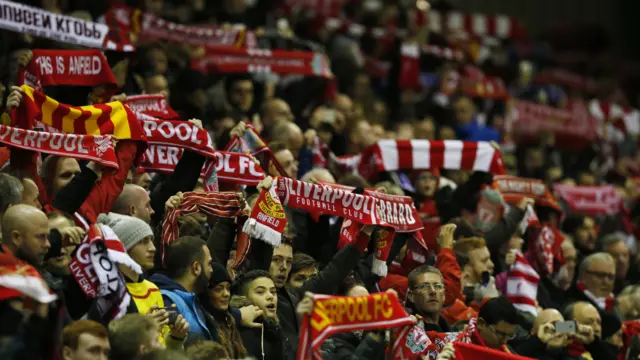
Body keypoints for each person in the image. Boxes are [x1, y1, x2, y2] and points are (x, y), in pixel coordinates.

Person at [148, 236, 215, 341]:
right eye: (209, 264)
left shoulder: (193, 300)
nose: (211, 270)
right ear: (196, 268)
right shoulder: (167, 301)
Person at [231, 270, 287, 360]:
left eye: (273, 292)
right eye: (260, 292)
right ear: (244, 297)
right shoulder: (239, 330)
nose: (270, 296)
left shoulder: (275, 329)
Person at [200, 262, 248, 358]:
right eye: (218, 289)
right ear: (206, 293)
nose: (226, 294)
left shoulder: (229, 321)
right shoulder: (203, 325)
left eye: (228, 288)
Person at [407, 265, 449, 332]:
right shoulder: (406, 332)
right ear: (411, 295)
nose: (433, 291)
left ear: (444, 294)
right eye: (424, 286)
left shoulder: (453, 333)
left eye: (437, 286)